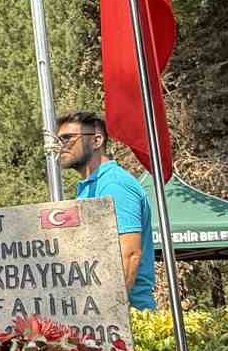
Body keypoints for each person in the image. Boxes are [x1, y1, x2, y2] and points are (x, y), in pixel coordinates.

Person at [56, 111, 155, 311]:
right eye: (59, 140)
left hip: (127, 314)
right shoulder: (91, 187)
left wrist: (111, 312)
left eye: (68, 138)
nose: (61, 146)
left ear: (97, 140)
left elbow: (130, 254)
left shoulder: (114, 184)